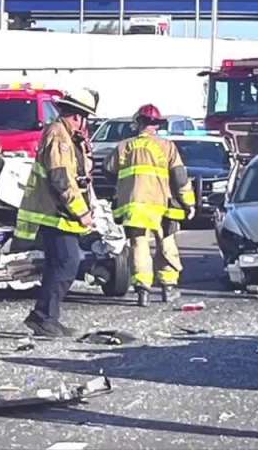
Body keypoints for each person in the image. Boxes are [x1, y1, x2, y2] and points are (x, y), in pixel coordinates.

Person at [15, 88, 98, 338]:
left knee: (58, 265)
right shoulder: (59, 135)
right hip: (56, 213)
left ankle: (46, 317)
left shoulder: (68, 136)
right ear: (78, 116)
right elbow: (60, 178)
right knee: (67, 263)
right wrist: (81, 212)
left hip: (60, 213)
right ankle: (44, 317)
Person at [109, 104, 196, 307]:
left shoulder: (123, 147)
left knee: (139, 245)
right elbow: (180, 177)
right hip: (163, 206)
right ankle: (168, 288)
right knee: (166, 243)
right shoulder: (167, 147)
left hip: (134, 205)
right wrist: (188, 202)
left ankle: (143, 291)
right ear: (156, 125)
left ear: (137, 123)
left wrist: (123, 188)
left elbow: (108, 170)